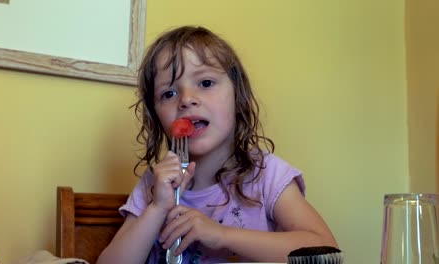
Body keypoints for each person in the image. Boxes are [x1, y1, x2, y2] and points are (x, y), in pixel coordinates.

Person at [97, 25, 337, 264]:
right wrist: (157, 208)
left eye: (206, 83)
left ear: (237, 96)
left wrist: (222, 235)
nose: (186, 99)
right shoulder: (154, 184)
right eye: (169, 94)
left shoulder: (267, 176)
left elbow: (325, 250)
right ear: (156, 115)